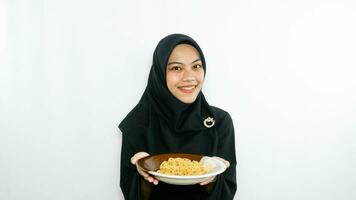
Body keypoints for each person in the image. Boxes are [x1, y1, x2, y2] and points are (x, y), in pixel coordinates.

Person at [119, 33, 237, 200]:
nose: (189, 77)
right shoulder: (139, 121)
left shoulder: (220, 122)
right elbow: (131, 194)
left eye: (196, 66)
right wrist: (143, 175)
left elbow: (227, 192)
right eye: (176, 68)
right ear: (160, 73)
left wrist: (214, 178)